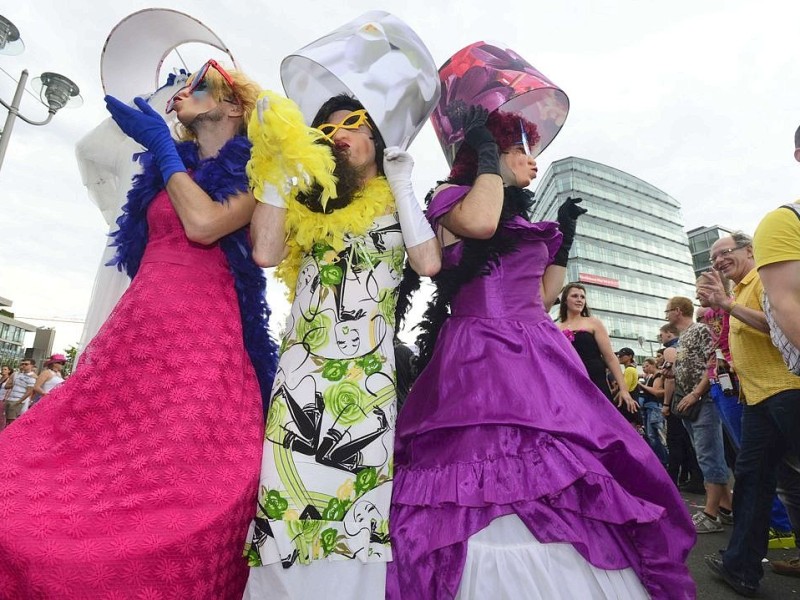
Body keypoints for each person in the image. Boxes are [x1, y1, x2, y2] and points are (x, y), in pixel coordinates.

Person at [387, 42, 695, 598]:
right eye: (521, 147)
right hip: (481, 347)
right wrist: (482, 151)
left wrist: (563, 241)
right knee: (490, 458)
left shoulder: (530, 219)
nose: (534, 158)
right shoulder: (454, 197)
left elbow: (547, 294)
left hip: (537, 343)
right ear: (494, 152)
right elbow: (480, 224)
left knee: (566, 458)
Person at [0, 60, 277, 598]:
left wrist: (164, 149)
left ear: (236, 105)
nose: (185, 93)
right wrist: (159, 151)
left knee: (174, 475)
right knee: (83, 455)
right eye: (184, 87)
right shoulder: (161, 170)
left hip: (201, 339)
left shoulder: (260, 174)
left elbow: (203, 225)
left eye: (202, 86)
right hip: (138, 328)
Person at [242, 14, 441, 599]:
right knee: (283, 502)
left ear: (375, 134)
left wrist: (404, 185)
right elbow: (264, 251)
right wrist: (277, 179)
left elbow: (428, 264)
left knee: (357, 509)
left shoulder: (397, 204)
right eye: (325, 128)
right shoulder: (308, 208)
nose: (336, 134)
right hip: (300, 379)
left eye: (351, 122)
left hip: (367, 383)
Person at [698, 232, 800, 593]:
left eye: (724, 253)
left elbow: (781, 328)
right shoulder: (739, 291)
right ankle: (740, 567)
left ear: (750, 251)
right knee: (753, 482)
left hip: (788, 391)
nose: (719, 261)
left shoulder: (765, 278)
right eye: (714, 258)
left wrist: (725, 304)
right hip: (757, 401)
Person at [750, 126, 800, 577]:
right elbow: (786, 307)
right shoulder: (786, 221)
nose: (722, 260)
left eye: (729, 254)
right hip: (773, 387)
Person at [662, 296, 733, 534]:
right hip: (688, 404)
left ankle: (711, 514)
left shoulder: (700, 330)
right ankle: (726, 508)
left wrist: (695, 393)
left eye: (668, 311)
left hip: (703, 401)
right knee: (705, 455)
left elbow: (712, 362)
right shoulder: (682, 339)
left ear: (679, 311)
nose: (665, 315)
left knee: (709, 455)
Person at [557, 282, 637, 413]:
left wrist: (623, 389)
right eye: (575, 296)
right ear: (565, 300)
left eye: (582, 297)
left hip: (595, 379)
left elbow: (610, 357)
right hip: (568, 381)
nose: (579, 300)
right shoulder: (556, 328)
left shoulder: (593, 322)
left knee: (601, 418)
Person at [659, 323, 704, 491]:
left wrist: (666, 405)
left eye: (662, 335)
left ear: (670, 334)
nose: (661, 338)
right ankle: (697, 480)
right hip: (695, 398)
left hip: (679, 400)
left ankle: (672, 480)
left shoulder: (671, 350)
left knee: (675, 442)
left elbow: (670, 379)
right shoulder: (688, 346)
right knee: (691, 443)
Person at [638, 357, 668, 465]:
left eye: (647, 366)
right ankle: (661, 460)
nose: (645, 369)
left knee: (658, 435)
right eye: (643, 367)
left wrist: (642, 385)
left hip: (654, 406)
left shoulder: (658, 375)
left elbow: (656, 392)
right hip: (649, 406)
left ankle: (664, 460)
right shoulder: (650, 376)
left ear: (652, 365)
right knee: (652, 435)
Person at [2, 358, 35, 426]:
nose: (23, 366)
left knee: (12, 421)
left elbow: (29, 392)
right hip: (10, 399)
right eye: (22, 364)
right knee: (7, 420)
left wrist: (19, 402)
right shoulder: (17, 374)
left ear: (32, 366)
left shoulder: (32, 377)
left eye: (26, 364)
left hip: (18, 400)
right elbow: (7, 386)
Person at [616, 347, 642, 425]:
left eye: (622, 355)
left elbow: (624, 389)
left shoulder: (629, 370)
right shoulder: (632, 369)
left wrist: (613, 400)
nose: (619, 357)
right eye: (619, 356)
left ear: (630, 356)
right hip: (632, 404)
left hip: (628, 406)